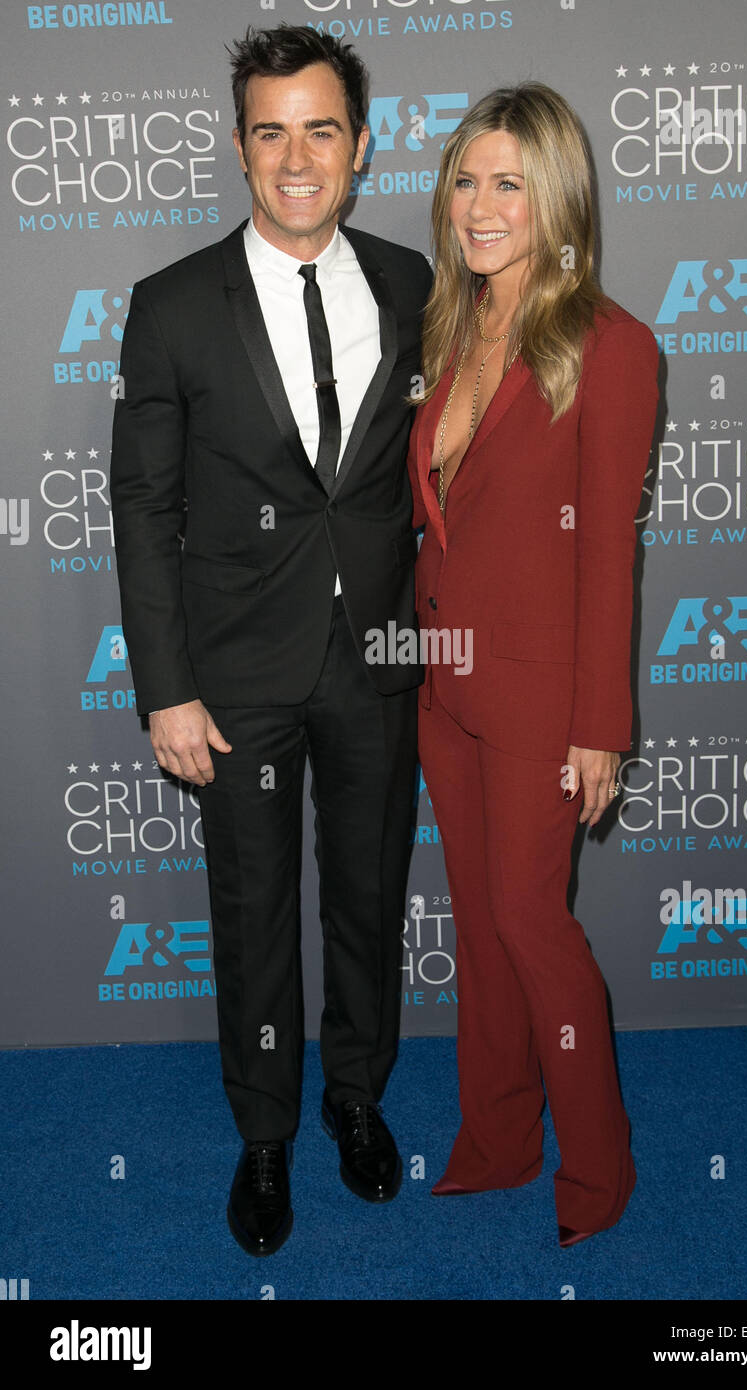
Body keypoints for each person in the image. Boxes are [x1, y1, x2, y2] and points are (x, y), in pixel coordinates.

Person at [110, 24, 432, 1256]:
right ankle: (264, 1135)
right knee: (250, 912)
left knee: (365, 895)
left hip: (380, 665)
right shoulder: (174, 305)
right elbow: (142, 507)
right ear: (239, 144)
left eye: (321, 129)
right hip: (234, 673)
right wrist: (166, 689)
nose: (296, 157)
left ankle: (355, 1099)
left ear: (360, 143)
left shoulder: (414, 283)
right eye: (270, 130)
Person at [406, 82, 659, 1245]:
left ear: (556, 200)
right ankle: (498, 1142)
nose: (479, 203)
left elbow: (608, 549)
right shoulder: (448, 328)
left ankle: (597, 1171)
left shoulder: (609, 348)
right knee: (478, 922)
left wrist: (599, 724)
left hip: (542, 700)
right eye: (466, 178)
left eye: (508, 182)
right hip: (444, 686)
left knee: (530, 920)